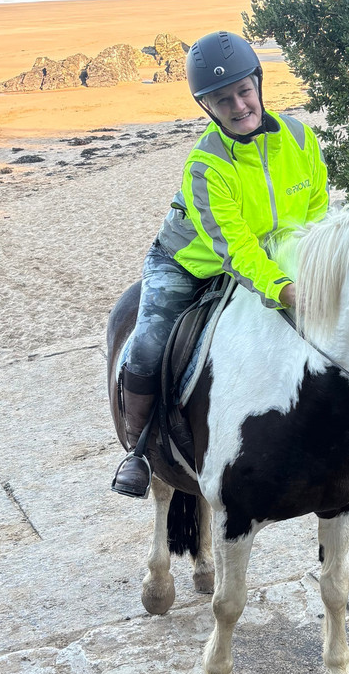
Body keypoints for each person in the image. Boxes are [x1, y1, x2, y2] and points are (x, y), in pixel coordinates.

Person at [111, 30, 329, 498]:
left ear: (259, 85)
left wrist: (312, 268)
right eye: (221, 99)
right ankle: (138, 449)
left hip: (275, 258)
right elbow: (237, 251)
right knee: (148, 344)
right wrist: (287, 290)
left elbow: (317, 215)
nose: (238, 105)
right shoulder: (204, 166)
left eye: (244, 91)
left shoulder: (299, 137)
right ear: (207, 107)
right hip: (189, 264)